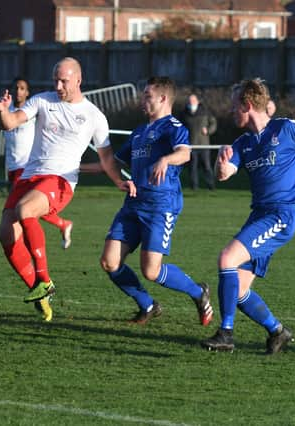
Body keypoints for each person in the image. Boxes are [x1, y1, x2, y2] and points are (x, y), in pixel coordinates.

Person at [0, 57, 128, 322]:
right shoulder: (42, 100)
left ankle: (44, 280)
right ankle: (38, 290)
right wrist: (2, 111)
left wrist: (119, 181)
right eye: (55, 80)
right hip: (29, 177)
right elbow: (10, 123)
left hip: (60, 180)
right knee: (5, 234)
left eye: (64, 81)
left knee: (26, 210)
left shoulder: (93, 116)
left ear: (78, 80)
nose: (58, 85)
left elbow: (106, 159)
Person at [201, 78, 295, 354]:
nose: (231, 111)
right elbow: (226, 175)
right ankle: (277, 331)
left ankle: (226, 334)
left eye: (235, 106)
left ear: (248, 105)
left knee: (226, 259)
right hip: (259, 217)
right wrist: (222, 163)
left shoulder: (286, 128)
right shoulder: (243, 142)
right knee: (236, 290)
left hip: (281, 216)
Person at [95, 77, 213, 327]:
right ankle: (148, 305)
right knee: (109, 262)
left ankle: (198, 292)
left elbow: (185, 153)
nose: (142, 100)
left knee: (151, 271)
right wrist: (68, 168)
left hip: (161, 205)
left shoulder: (173, 127)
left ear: (162, 99)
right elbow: (111, 163)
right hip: (133, 204)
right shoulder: (139, 132)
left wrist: (165, 160)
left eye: (147, 96)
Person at [0, 77, 74, 249]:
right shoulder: (8, 112)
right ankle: (62, 224)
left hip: (28, 167)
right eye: (16, 88)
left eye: (22, 88)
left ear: (27, 93)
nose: (18, 91)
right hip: (12, 167)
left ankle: (24, 244)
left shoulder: (33, 111)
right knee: (23, 209)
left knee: (22, 209)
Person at [179, 93, 217, 190]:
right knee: (192, 167)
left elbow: (213, 123)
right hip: (190, 145)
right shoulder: (184, 113)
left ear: (197, 101)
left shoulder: (205, 111)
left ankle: (211, 186)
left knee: (207, 167)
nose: (191, 102)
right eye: (189, 101)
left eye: (193, 101)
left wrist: (208, 130)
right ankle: (194, 187)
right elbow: (180, 127)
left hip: (204, 145)